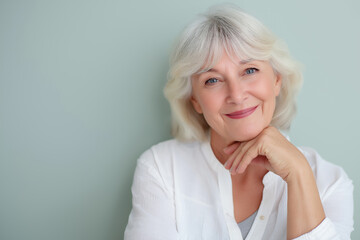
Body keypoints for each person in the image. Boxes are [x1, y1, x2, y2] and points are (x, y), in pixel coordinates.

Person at [124, 4, 353, 240]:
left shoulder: (330, 182)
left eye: (250, 70)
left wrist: (299, 173)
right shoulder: (161, 168)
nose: (236, 94)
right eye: (212, 80)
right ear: (195, 101)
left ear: (276, 80)